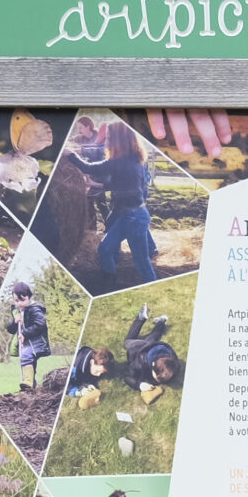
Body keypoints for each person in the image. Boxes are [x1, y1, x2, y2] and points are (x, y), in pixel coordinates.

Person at [87, 121, 157, 288]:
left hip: (134, 217)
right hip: (127, 214)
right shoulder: (130, 160)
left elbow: (88, 166)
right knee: (104, 249)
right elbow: (117, 185)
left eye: (109, 138)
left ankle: (153, 286)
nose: (106, 142)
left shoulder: (123, 162)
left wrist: (69, 155)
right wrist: (95, 185)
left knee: (141, 262)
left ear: (119, 140)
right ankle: (109, 283)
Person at [124, 305, 182, 402]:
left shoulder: (174, 366)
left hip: (154, 345)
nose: (156, 382)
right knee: (127, 342)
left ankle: (162, 321)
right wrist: (140, 385)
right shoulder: (139, 361)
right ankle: (141, 318)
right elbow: (127, 376)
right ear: (153, 364)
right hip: (140, 347)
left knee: (153, 337)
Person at [10, 282, 51, 387]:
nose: (19, 303)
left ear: (30, 297)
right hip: (27, 343)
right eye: (16, 301)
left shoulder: (35, 309)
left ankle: (28, 382)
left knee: (26, 355)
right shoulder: (17, 312)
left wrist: (25, 333)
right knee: (29, 362)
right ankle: (32, 386)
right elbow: (10, 330)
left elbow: (40, 324)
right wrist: (14, 321)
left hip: (38, 342)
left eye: (22, 300)